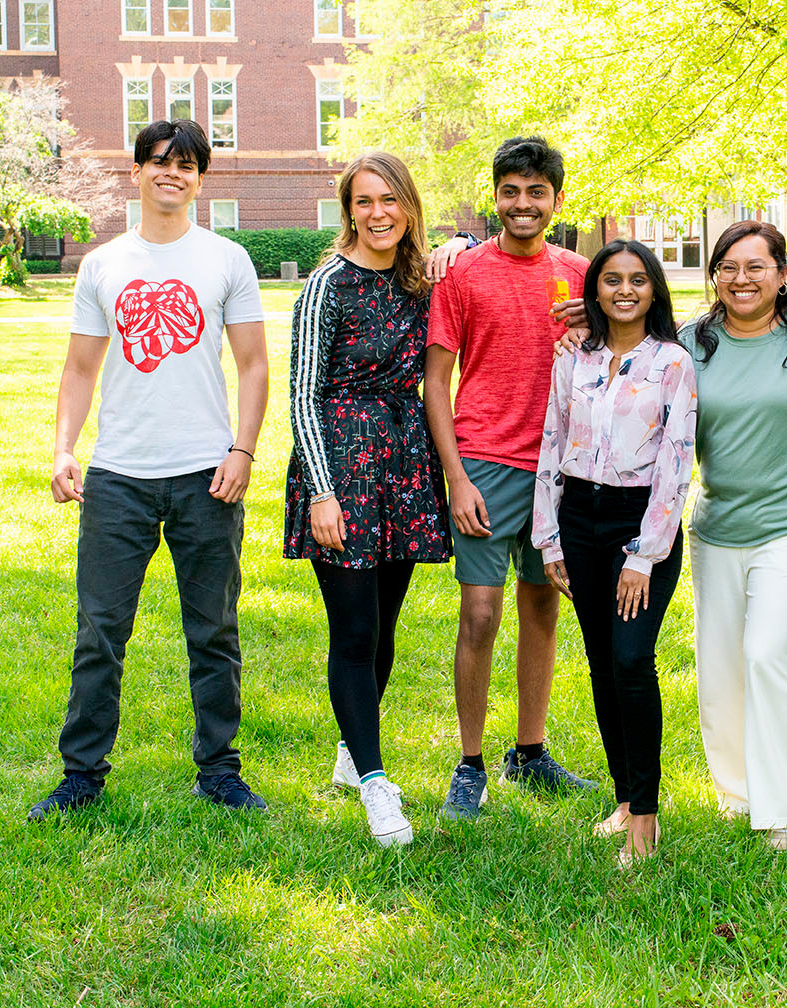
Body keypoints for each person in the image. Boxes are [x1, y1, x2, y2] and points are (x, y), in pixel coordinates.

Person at [29, 119, 269, 821]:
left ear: (201, 178)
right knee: (99, 632)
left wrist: (243, 452)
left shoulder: (227, 259)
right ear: (135, 172)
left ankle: (220, 771)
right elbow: (80, 366)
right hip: (119, 478)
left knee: (214, 632)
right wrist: (65, 448)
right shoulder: (103, 264)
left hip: (207, 474)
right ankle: (81, 776)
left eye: (187, 164)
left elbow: (253, 365)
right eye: (160, 162)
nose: (173, 173)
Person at [423, 136, 598, 819]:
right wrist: (456, 478)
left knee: (543, 605)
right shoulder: (463, 274)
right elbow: (436, 382)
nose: (522, 204)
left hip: (561, 466)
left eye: (536, 192)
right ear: (494, 197)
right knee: (480, 611)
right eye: (510, 191)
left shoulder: (582, 273)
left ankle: (530, 751)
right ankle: (469, 764)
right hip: (486, 461)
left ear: (556, 200)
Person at [283, 151, 453, 847]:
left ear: (408, 205)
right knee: (353, 632)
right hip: (343, 463)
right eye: (363, 202)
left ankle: (355, 757)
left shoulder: (421, 280)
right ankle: (377, 786)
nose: (378, 213)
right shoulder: (328, 285)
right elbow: (302, 392)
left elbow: (473, 261)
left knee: (384, 627)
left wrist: (462, 245)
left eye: (390, 200)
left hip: (405, 462)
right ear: (348, 209)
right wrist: (322, 492)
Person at [685, 221, 787, 851]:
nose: (742, 278)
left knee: (765, 656)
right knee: (722, 670)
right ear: (714, 277)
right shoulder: (690, 345)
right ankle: (738, 793)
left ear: (784, 276)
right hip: (717, 529)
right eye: (728, 266)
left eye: (757, 267)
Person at [532, 240, 696, 866]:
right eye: (611, 280)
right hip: (578, 517)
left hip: (639, 522)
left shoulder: (673, 363)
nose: (624, 290)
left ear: (654, 289)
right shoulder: (573, 357)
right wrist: (548, 538)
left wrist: (642, 555)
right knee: (602, 662)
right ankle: (625, 797)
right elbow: (552, 443)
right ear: (594, 290)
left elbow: (677, 465)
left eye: (637, 280)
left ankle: (646, 817)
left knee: (631, 659)